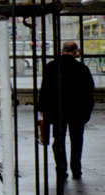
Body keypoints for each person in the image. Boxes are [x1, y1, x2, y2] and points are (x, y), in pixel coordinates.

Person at [37, 40, 95, 182]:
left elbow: (44, 90)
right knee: (76, 140)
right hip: (77, 111)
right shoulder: (82, 68)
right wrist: (87, 112)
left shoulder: (50, 67)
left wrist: (43, 109)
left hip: (58, 111)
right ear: (76, 52)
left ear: (62, 51)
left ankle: (61, 169)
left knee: (59, 140)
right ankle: (76, 168)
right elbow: (89, 92)